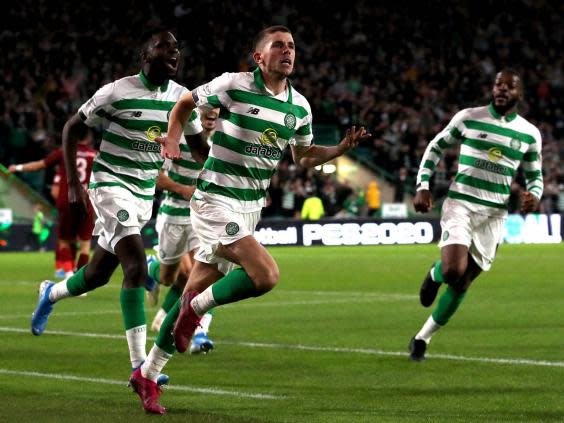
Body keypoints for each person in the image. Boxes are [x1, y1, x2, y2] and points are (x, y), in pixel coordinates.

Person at [133, 25, 370, 414]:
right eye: (278, 45)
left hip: (249, 208)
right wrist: (173, 138)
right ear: (259, 57)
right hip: (213, 200)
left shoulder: (299, 108)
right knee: (265, 274)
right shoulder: (233, 84)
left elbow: (303, 156)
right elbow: (186, 102)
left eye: (292, 46)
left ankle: (148, 373)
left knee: (193, 293)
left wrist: (339, 149)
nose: (287, 51)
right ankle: (196, 308)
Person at [29, 28, 208, 413]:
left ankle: (50, 293)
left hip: (144, 193)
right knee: (136, 265)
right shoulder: (116, 91)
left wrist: (225, 173)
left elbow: (197, 148)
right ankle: (139, 370)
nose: (174, 53)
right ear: (146, 53)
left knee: (96, 274)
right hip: (110, 184)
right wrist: (76, 184)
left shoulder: (182, 98)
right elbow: (72, 129)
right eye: (165, 47)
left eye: (177, 48)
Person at [408, 69, 543, 361]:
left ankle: (422, 337)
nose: (502, 90)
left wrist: (535, 196)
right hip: (461, 204)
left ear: (520, 93)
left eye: (510, 86)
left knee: (463, 282)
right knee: (453, 270)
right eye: (498, 84)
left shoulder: (530, 134)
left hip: (494, 215)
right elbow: (436, 147)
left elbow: (535, 177)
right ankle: (435, 273)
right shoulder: (469, 117)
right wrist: (422, 185)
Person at [146, 107, 218, 355]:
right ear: (196, 114)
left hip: (202, 216)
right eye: (207, 110)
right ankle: (149, 268)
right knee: (169, 277)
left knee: (207, 272)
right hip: (173, 217)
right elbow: (156, 177)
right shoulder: (178, 138)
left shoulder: (221, 140)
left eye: (216, 111)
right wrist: (182, 189)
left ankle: (200, 332)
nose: (212, 115)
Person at [9, 127, 96, 277]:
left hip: (67, 200)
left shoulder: (64, 152)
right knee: (85, 244)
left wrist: (17, 167)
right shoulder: (95, 155)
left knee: (64, 240)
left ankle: (67, 274)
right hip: (87, 202)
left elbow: (40, 165)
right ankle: (80, 280)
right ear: (88, 138)